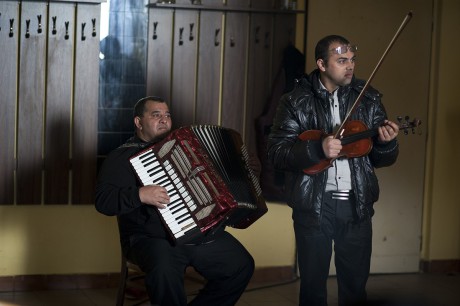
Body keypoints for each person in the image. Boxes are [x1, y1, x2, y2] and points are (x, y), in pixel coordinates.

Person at [267, 35, 400, 306]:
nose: (349, 67)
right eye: (341, 61)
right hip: (315, 206)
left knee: (354, 288)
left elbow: (381, 159)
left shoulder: (369, 97)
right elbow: (277, 154)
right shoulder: (294, 101)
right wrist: (317, 150)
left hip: (357, 203)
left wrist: (388, 143)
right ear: (322, 64)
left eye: (352, 60)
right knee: (313, 290)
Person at [95, 96, 254, 306]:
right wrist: (140, 194)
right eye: (156, 115)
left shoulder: (189, 151)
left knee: (241, 264)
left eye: (167, 115)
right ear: (138, 122)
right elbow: (103, 201)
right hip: (150, 238)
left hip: (195, 233)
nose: (164, 120)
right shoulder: (121, 157)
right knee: (163, 272)